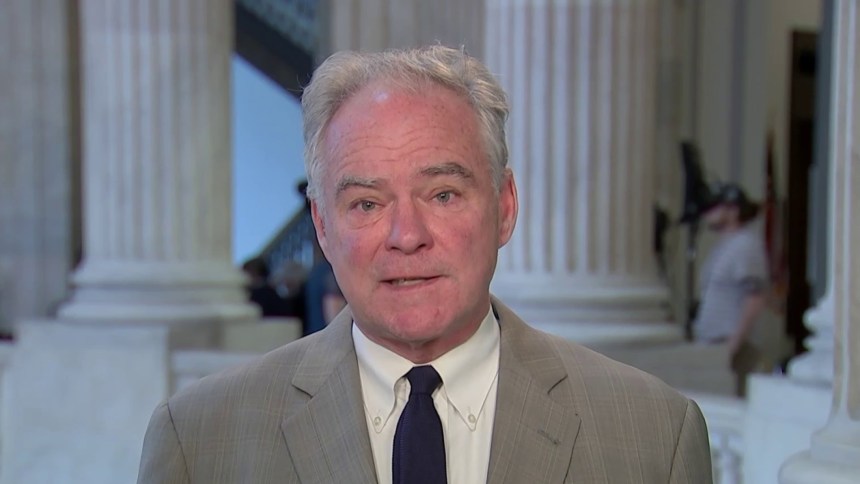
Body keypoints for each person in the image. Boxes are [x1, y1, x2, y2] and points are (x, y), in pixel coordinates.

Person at [138, 46, 712, 483]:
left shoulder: (654, 436)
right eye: (367, 203)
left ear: (505, 207)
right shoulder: (199, 438)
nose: (406, 236)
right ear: (322, 227)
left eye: (442, 194)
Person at [693, 183, 769, 396]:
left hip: (732, 344)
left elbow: (755, 297)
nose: (709, 213)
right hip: (714, 344)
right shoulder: (724, 247)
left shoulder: (744, 245)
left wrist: (734, 343)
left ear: (733, 210)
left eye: (716, 207)